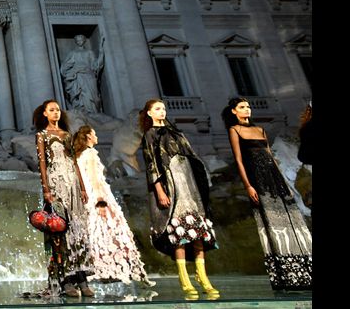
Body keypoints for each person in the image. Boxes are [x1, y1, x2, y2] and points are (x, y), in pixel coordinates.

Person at [223, 98, 312, 290]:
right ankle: (284, 275)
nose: (247, 109)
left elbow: (270, 156)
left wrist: (285, 182)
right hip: (257, 180)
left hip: (275, 178)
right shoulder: (234, 130)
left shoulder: (260, 130)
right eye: (242, 107)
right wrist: (248, 186)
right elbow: (239, 160)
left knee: (292, 219)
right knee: (272, 223)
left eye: (248, 106)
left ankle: (305, 270)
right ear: (234, 111)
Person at [139, 99, 218, 298]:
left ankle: (203, 277)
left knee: (198, 234)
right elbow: (151, 165)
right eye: (157, 109)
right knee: (180, 235)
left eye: (163, 108)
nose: (162, 111)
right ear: (149, 113)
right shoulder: (149, 135)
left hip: (189, 183)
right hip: (171, 185)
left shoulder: (176, 133)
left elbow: (192, 158)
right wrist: (160, 190)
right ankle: (184, 278)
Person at [73, 125, 154, 288]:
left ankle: (99, 268)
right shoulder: (90, 153)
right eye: (94, 134)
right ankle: (118, 269)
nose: (96, 137)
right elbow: (95, 179)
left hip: (86, 197)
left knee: (96, 233)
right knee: (112, 231)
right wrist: (101, 200)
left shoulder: (79, 155)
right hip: (98, 194)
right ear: (88, 137)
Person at [33, 99, 93, 298]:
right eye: (51, 110)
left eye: (57, 110)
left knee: (78, 229)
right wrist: (46, 189)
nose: (56, 113)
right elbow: (42, 163)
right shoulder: (42, 135)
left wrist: (82, 187)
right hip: (55, 184)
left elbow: (74, 162)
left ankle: (82, 278)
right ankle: (65, 280)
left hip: (72, 184)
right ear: (45, 113)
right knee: (61, 230)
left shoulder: (67, 134)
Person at [59, 34, 105, 114]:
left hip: (89, 76)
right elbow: (65, 66)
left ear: (84, 41)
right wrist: (72, 70)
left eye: (81, 40)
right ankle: (84, 113)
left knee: (94, 97)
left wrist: (101, 51)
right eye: (78, 40)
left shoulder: (89, 52)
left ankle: (95, 113)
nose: (79, 41)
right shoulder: (73, 53)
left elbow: (95, 65)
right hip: (79, 76)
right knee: (82, 96)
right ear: (76, 42)